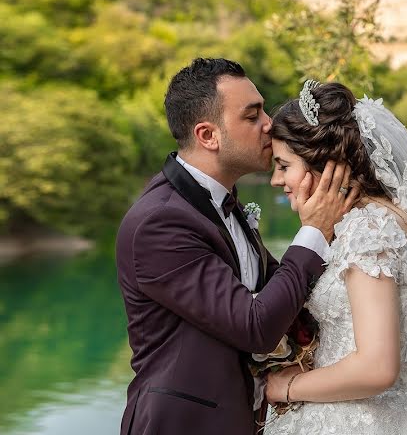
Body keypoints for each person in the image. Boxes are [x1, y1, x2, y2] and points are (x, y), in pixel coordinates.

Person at [115, 59, 357, 435]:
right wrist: (313, 230)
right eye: (252, 115)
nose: (269, 125)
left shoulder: (222, 203)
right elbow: (255, 325)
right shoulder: (159, 222)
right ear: (208, 135)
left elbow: (286, 297)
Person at [262, 80, 407, 435]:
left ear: (324, 165)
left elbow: (377, 367)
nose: (276, 180)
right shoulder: (383, 218)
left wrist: (284, 387)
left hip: (364, 420)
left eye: (283, 165)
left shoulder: (367, 230)